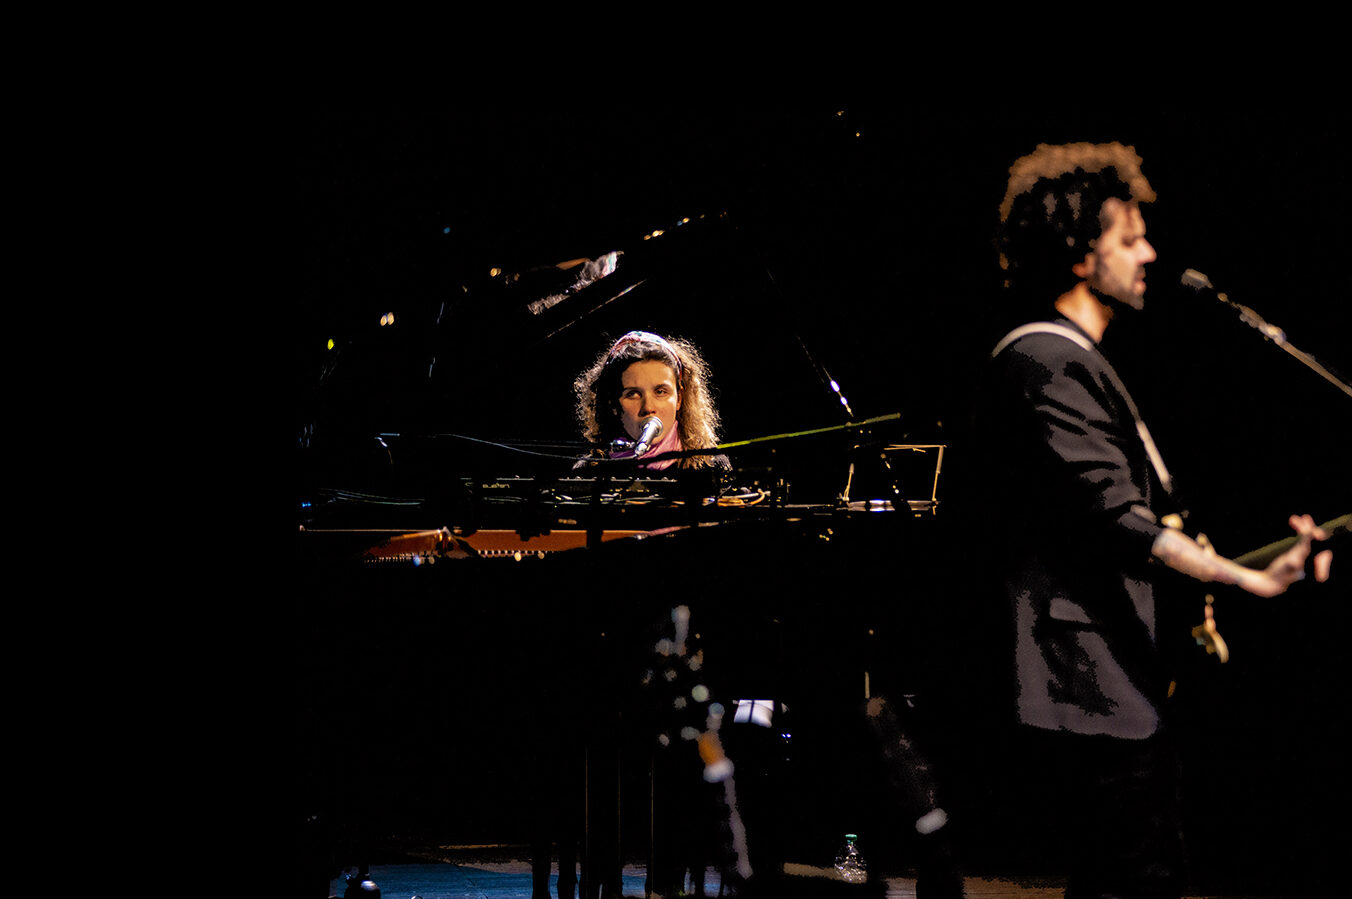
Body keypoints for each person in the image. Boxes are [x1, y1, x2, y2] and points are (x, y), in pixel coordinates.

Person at [974, 142, 1332, 897]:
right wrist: (1242, 575)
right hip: (1086, 684)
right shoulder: (1044, 357)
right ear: (1078, 251)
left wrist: (1266, 564)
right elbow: (1117, 521)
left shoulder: (1077, 360)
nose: (1150, 253)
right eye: (1129, 238)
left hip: (1116, 683)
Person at [574, 330, 731, 471]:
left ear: (679, 399)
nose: (648, 407)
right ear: (613, 403)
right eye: (633, 394)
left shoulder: (711, 466)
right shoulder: (590, 469)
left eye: (660, 392)